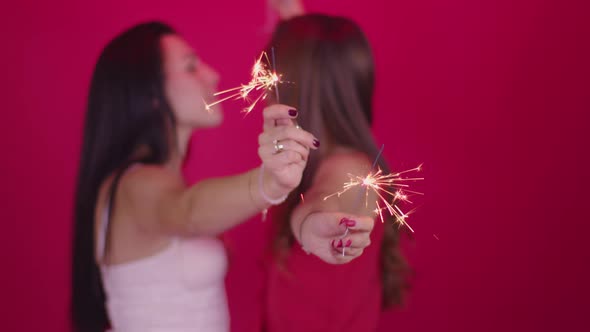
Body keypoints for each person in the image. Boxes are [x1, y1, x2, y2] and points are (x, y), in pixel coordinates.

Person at [70, 21, 321, 332]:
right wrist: (269, 182)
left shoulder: (160, 182)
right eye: (190, 67)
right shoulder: (134, 185)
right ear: (149, 92)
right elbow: (189, 211)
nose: (212, 75)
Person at [261, 10, 411, 332]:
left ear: (290, 88)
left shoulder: (348, 173)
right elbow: (316, 54)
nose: (263, 90)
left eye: (269, 77)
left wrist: (310, 225)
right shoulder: (334, 160)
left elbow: (324, 206)